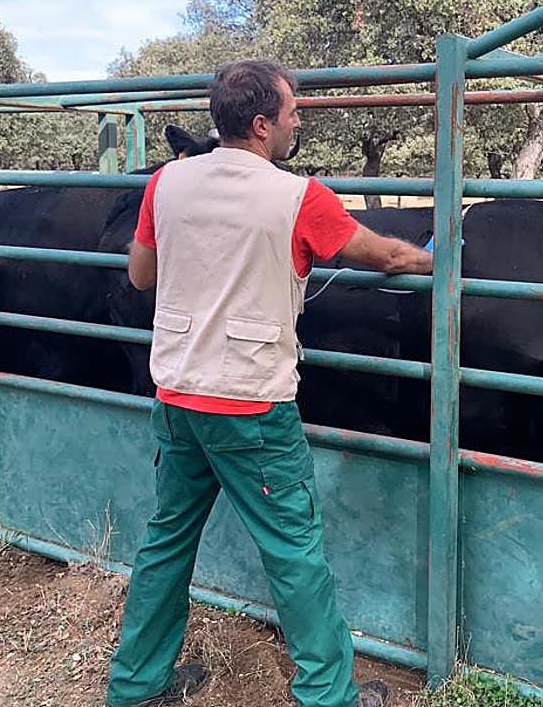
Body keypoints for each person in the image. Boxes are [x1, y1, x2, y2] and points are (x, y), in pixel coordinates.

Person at [105, 59, 433, 707]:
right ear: (261, 125)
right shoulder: (297, 196)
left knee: (167, 539)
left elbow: (140, 276)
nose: (298, 122)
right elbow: (387, 255)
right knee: (293, 552)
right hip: (250, 405)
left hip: (175, 394)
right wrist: (439, 256)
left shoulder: (166, 184)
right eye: (291, 114)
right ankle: (329, 695)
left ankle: (136, 686)